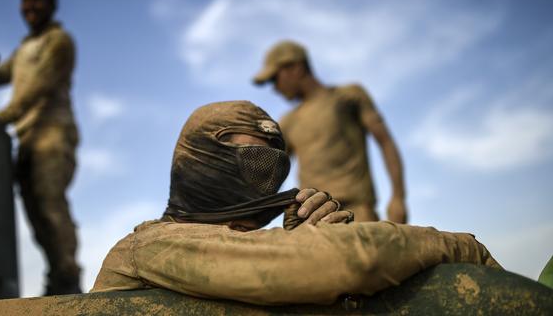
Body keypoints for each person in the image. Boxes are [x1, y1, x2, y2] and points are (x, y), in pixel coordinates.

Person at [91, 101, 500, 305]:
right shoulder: (151, 246)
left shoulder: (236, 249)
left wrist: (304, 240)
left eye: (276, 166)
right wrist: (460, 247)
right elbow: (353, 262)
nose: (265, 179)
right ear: (200, 160)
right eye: (253, 159)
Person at [0, 0, 81, 295]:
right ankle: (56, 273)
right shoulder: (25, 47)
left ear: (50, 4)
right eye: (25, 0)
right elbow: (0, 74)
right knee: (34, 212)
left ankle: (68, 275)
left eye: (36, 0)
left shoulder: (59, 41)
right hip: (27, 137)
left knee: (49, 202)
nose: (29, 6)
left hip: (52, 134)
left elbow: (38, 87)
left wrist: (2, 117)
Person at [253, 40, 406, 223]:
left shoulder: (347, 97)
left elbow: (385, 142)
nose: (274, 88)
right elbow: (269, 176)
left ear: (296, 68)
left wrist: (398, 198)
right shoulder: (288, 122)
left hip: (357, 215)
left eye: (274, 79)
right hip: (311, 220)